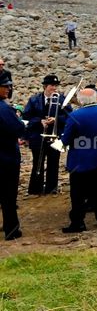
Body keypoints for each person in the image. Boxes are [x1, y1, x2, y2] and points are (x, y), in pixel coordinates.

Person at [59, 88, 97, 232]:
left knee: (78, 194)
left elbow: (66, 139)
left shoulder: (75, 115)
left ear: (81, 100)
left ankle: (78, 222)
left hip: (80, 160)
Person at [22, 74, 71, 195]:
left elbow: (68, 116)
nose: (54, 88)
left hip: (55, 136)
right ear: (45, 86)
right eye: (51, 86)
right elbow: (26, 117)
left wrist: (56, 119)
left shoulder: (61, 100)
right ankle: (35, 188)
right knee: (37, 162)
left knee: (53, 162)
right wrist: (40, 121)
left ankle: (51, 187)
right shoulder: (34, 100)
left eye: (55, 85)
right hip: (38, 136)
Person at [0, 71, 25, 240]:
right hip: (6, 158)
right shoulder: (3, 108)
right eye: (5, 86)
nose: (9, 89)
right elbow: (18, 129)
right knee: (8, 196)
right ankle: (11, 229)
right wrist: (19, 120)